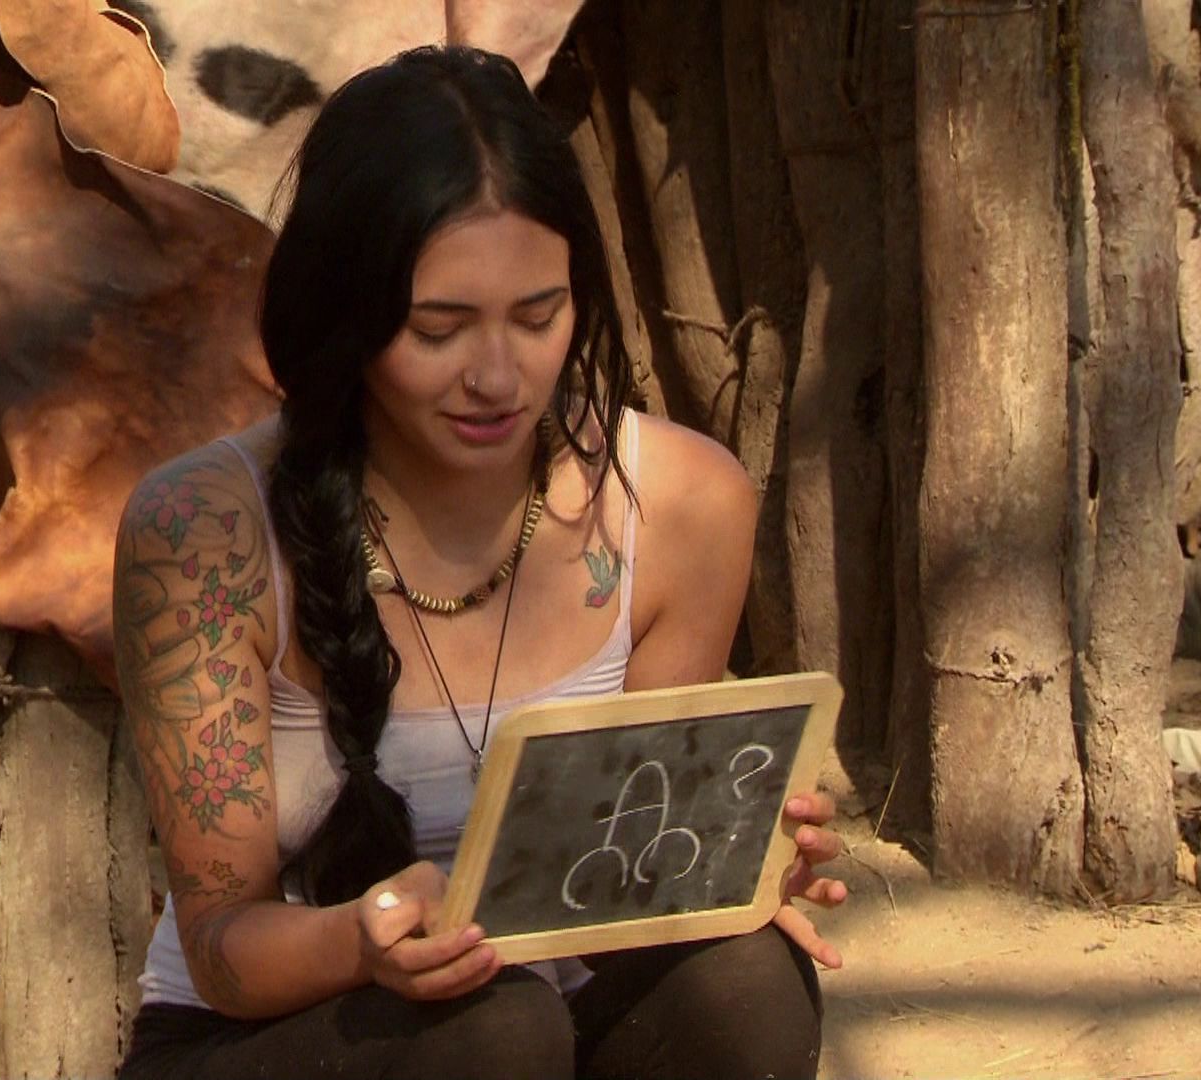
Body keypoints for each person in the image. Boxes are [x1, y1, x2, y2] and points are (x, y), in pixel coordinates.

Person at [112, 45, 848, 1080]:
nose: (499, 377)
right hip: (279, 1038)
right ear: (346, 315)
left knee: (747, 984)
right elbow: (224, 949)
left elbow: (620, 890)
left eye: (538, 316)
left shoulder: (684, 503)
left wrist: (720, 877)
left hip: (553, 1012)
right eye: (438, 329)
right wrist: (361, 939)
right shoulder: (203, 534)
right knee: (491, 1032)